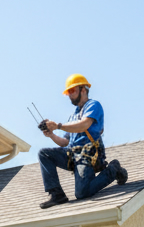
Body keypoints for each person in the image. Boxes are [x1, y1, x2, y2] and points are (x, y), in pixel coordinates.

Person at [36, 74, 129, 209]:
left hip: (89, 155)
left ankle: (113, 169)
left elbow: (84, 125)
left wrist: (58, 126)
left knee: (82, 193)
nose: (69, 95)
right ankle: (57, 195)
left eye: (72, 91)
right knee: (44, 154)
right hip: (73, 155)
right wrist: (51, 134)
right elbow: (64, 142)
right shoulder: (73, 115)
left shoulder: (93, 105)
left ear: (83, 90)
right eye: (68, 92)